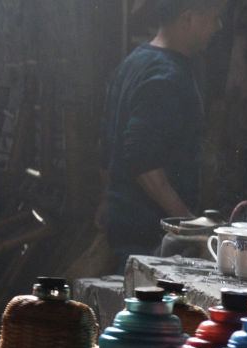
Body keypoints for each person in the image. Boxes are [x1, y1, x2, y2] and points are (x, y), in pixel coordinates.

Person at [96, 0, 227, 269]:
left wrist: (109, 200)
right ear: (188, 19)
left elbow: (107, 150)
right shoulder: (167, 75)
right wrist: (190, 225)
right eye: (213, 17)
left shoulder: (133, 62)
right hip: (150, 238)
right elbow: (142, 159)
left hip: (127, 229)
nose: (218, 26)